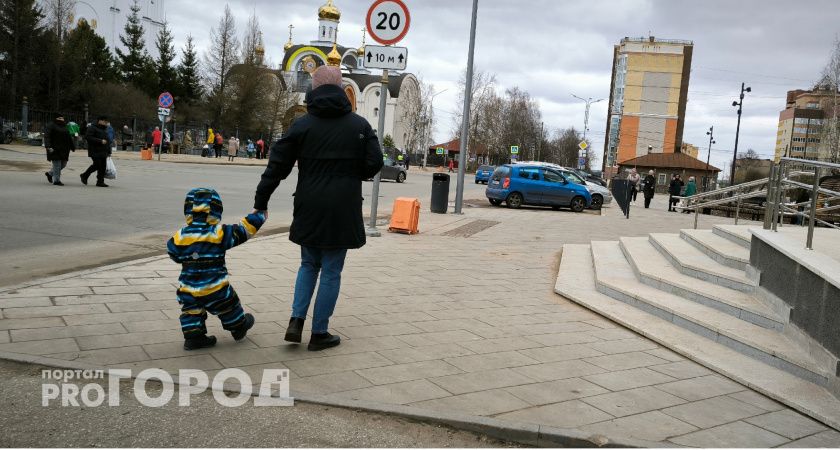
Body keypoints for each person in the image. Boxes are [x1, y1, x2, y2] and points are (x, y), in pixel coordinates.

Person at [253, 65, 383, 351]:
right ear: (341, 89)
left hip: (309, 203)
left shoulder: (301, 125)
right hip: (342, 206)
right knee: (332, 270)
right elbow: (375, 162)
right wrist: (352, 175)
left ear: (313, 89)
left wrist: (261, 202)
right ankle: (319, 332)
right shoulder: (359, 125)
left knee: (308, 264)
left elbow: (276, 167)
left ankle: (296, 321)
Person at [167, 188, 266, 350]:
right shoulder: (218, 233)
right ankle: (238, 326)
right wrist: (259, 216)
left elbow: (173, 252)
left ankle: (194, 337)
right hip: (214, 286)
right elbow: (242, 231)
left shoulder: (181, 235)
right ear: (216, 210)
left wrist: (189, 256)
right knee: (228, 305)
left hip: (189, 287)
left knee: (191, 310)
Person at [43, 114, 75, 186]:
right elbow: (47, 136)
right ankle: (57, 181)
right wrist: (48, 146)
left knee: (63, 164)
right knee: (57, 165)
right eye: (59, 118)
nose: (61, 119)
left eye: (62, 118)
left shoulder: (65, 126)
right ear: (55, 118)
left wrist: (72, 146)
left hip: (64, 149)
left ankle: (49, 174)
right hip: (54, 148)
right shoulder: (51, 125)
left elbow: (69, 137)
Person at [81, 115, 111, 187]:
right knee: (97, 164)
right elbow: (88, 137)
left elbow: (107, 141)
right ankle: (84, 175)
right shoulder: (92, 127)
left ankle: (100, 181)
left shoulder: (104, 129)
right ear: (100, 121)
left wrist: (109, 151)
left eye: (107, 122)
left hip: (103, 150)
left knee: (103, 166)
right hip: (94, 150)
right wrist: (100, 141)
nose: (106, 123)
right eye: (105, 122)